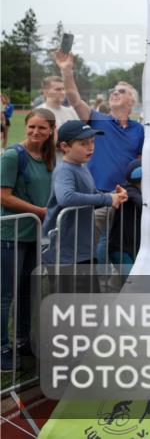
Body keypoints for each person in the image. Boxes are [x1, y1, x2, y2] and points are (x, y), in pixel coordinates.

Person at [53, 51, 143, 264]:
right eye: (113, 90)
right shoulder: (98, 119)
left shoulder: (139, 129)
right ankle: (96, 287)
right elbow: (74, 98)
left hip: (124, 198)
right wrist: (66, 70)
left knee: (120, 247)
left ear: (132, 101)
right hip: (96, 197)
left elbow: (139, 165)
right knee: (92, 248)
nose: (115, 92)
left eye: (121, 91)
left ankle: (114, 289)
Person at [0, 109, 56, 371]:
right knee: (5, 296)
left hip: (34, 236)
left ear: (51, 131)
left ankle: (22, 341)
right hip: (11, 236)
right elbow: (4, 196)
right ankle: (2, 347)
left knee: (26, 293)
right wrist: (39, 212)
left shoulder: (49, 158)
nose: (35, 133)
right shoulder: (13, 156)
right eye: (31, 127)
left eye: (41, 129)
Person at [41, 121, 127, 286]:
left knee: (87, 303)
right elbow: (66, 198)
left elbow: (92, 196)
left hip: (83, 250)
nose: (90, 147)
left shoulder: (81, 167)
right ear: (65, 146)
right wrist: (108, 199)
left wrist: (113, 196)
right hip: (66, 254)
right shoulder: (65, 170)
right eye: (83, 143)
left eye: (92, 142)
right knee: (70, 306)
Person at [108, 159, 143, 277]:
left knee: (126, 286)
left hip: (130, 248)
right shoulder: (129, 190)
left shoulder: (136, 190)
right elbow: (141, 203)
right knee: (132, 285)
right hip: (121, 249)